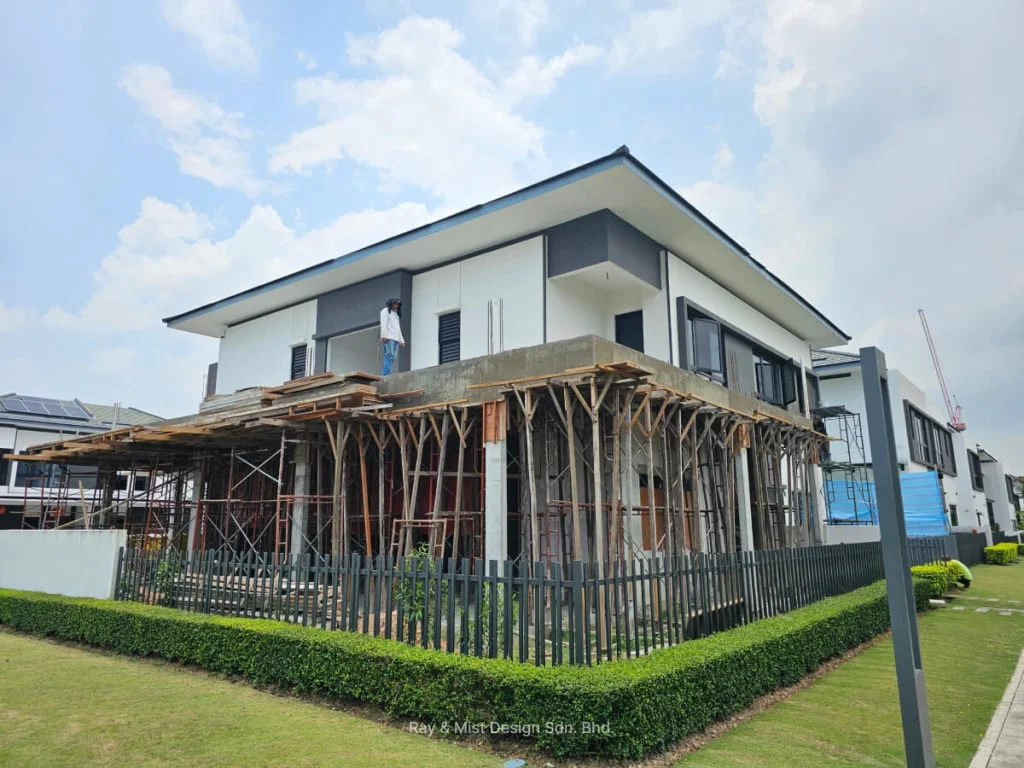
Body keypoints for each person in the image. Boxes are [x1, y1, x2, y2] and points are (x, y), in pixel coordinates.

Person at [379, 298, 405, 376]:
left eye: (397, 305)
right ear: (390, 304)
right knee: (388, 355)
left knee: (392, 357)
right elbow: (384, 323)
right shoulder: (385, 311)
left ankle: (387, 372)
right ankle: (385, 374)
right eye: (394, 304)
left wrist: (401, 340)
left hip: (395, 338)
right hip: (389, 337)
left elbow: (398, 327)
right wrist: (384, 335)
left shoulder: (396, 314)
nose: (396, 306)